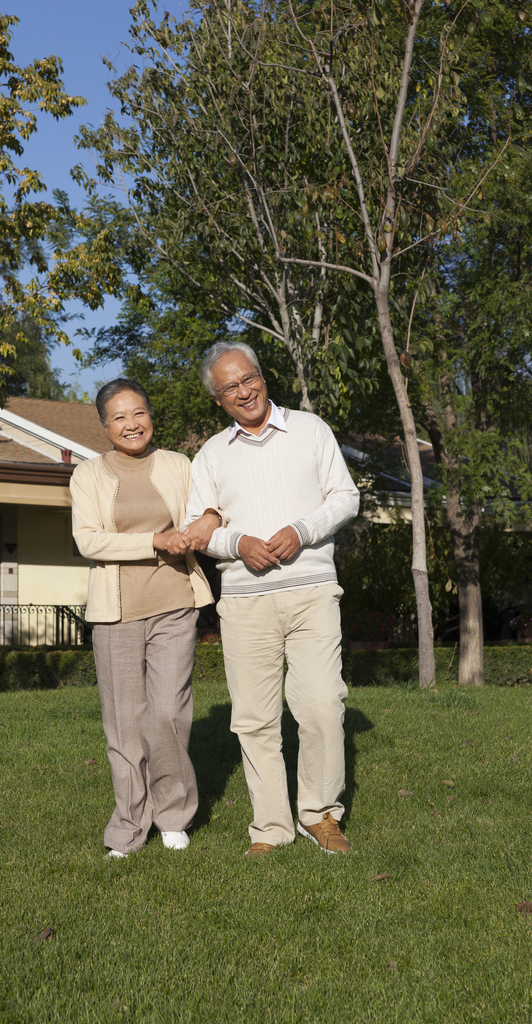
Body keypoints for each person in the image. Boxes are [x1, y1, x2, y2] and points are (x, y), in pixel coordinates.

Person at [182, 343, 360, 857]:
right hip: (244, 599)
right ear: (219, 400)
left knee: (323, 704)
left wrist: (302, 531)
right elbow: (201, 529)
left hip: (311, 591)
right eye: (230, 387)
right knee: (255, 718)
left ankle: (320, 815)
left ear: (262, 376)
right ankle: (271, 827)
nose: (244, 391)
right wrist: (238, 544)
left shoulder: (310, 429)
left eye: (249, 378)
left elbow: (346, 497)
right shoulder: (212, 454)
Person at [71, 379, 218, 859]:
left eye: (138, 413)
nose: (131, 424)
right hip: (116, 615)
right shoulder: (88, 474)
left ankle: (173, 813)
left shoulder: (178, 464)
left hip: (175, 602)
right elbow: (89, 541)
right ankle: (129, 826)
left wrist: (210, 518)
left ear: (151, 416)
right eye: (119, 416)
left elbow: (208, 507)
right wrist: (154, 541)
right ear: (104, 425)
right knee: (123, 723)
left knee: (168, 712)